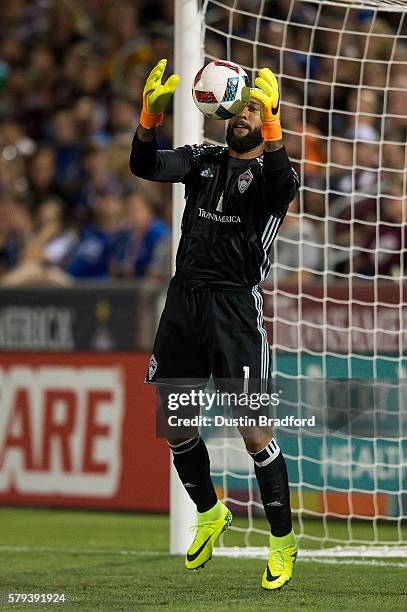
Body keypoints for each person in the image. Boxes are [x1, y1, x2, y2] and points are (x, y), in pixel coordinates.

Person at [130, 59, 299, 591]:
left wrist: (273, 123)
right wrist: (148, 118)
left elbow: (279, 190)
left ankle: (282, 543)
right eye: (242, 106)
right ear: (224, 109)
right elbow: (145, 166)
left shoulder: (278, 173)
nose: (245, 114)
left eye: (257, 108)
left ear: (266, 118)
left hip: (234, 310)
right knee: (175, 423)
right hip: (186, 302)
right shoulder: (202, 159)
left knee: (255, 433)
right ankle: (209, 511)